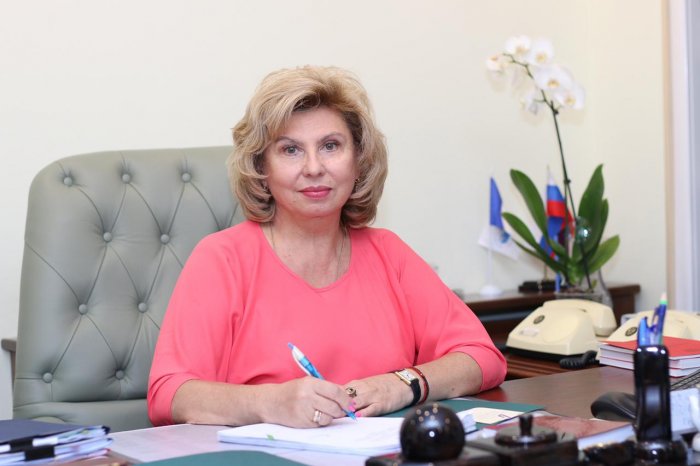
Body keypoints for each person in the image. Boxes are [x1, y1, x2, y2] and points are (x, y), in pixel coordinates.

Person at [147, 65, 506, 428]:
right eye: (290, 150)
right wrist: (269, 402)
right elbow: (169, 394)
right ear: (261, 168)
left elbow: (482, 357)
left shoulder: (388, 253)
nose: (314, 167)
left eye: (330, 146)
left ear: (358, 160)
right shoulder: (222, 258)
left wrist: (401, 384)